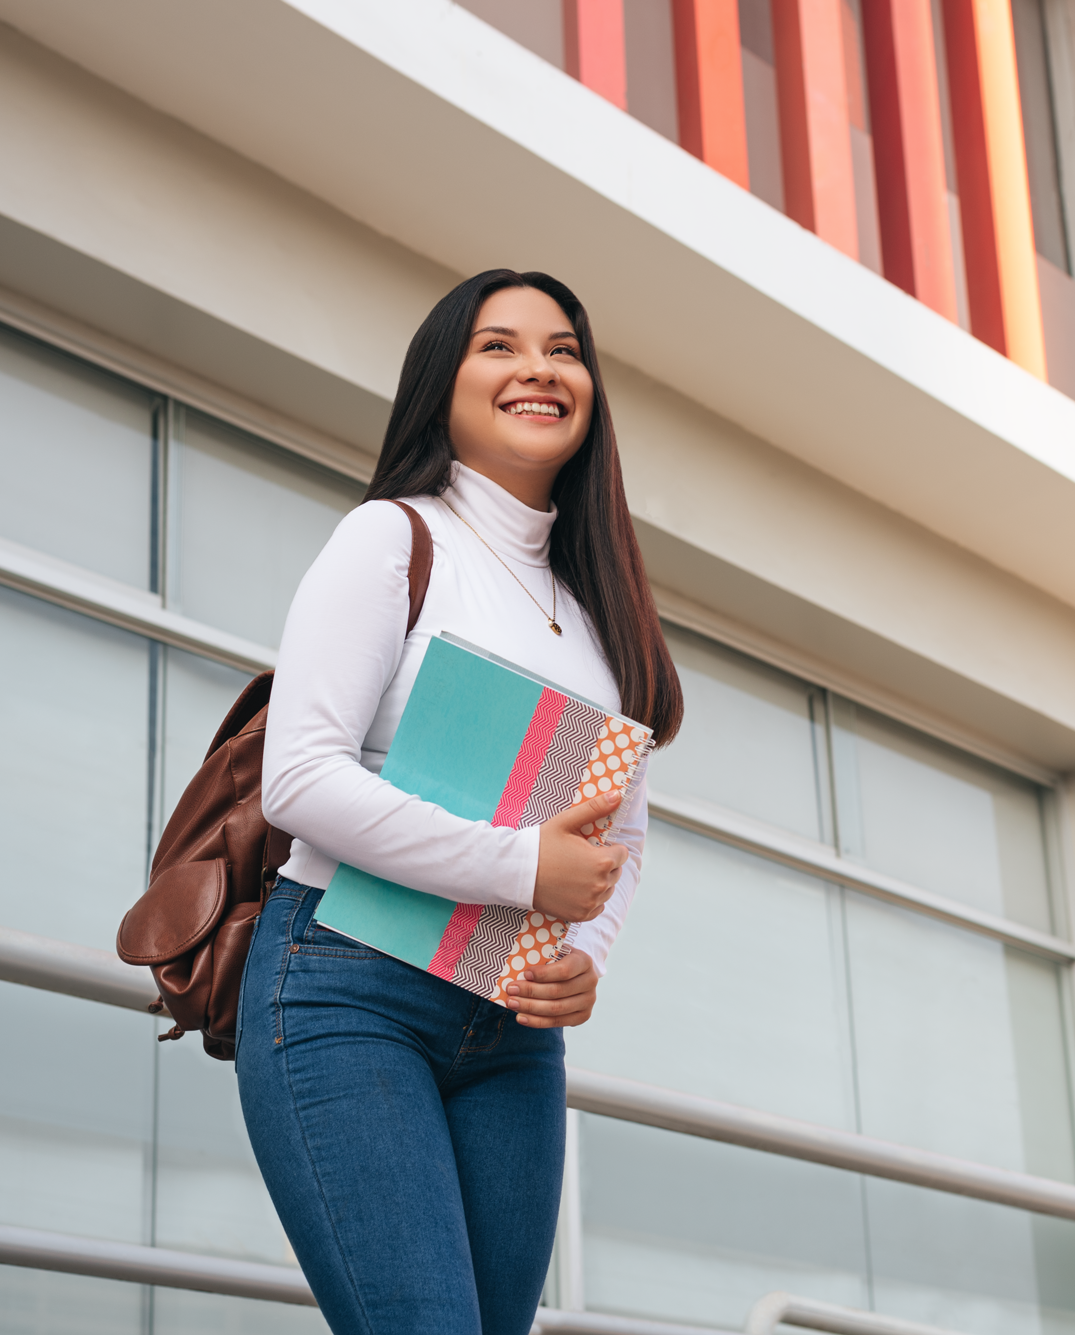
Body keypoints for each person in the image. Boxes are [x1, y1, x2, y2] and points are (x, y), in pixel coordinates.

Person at [239, 269, 684, 1335]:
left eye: (563, 349)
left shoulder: (600, 604)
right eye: (499, 345)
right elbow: (297, 779)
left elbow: (621, 835)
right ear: (442, 382)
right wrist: (521, 867)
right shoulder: (392, 538)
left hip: (510, 1029)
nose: (538, 366)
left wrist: (591, 957)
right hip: (347, 993)